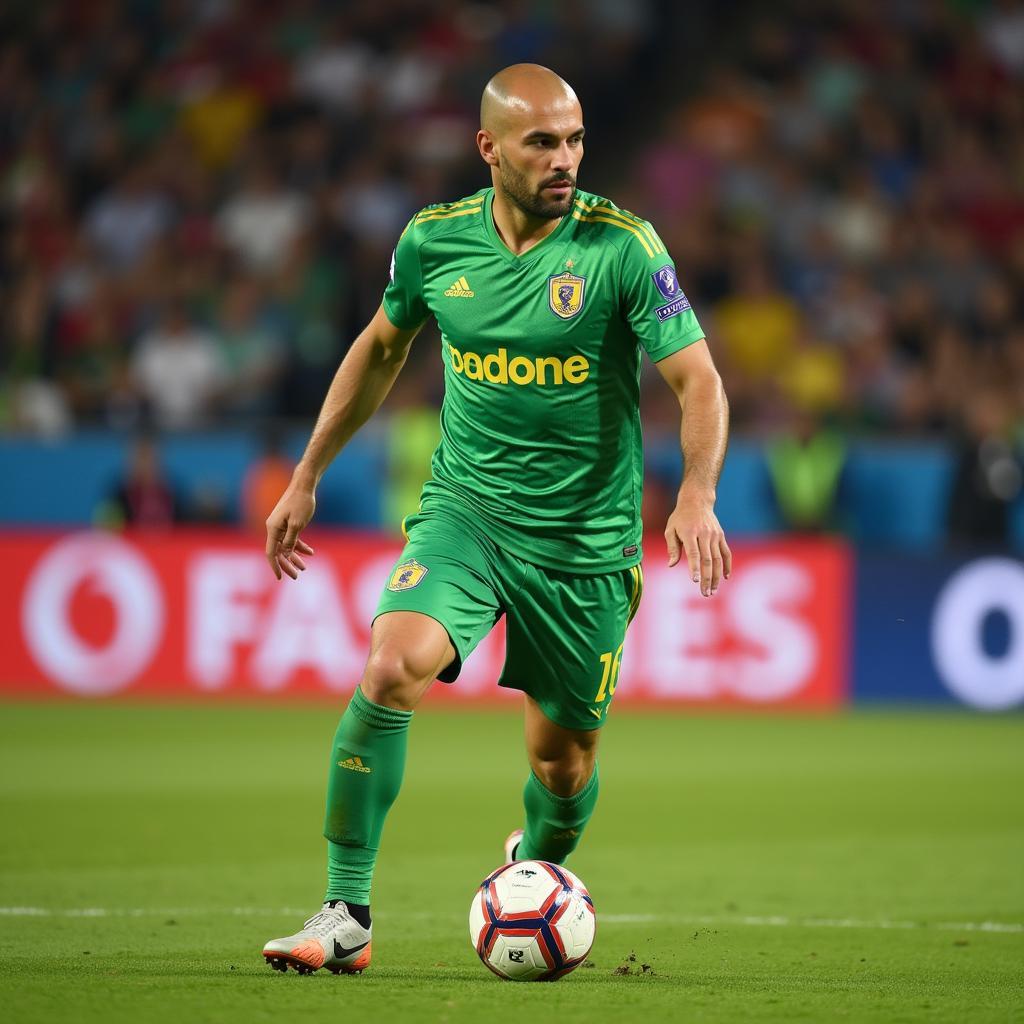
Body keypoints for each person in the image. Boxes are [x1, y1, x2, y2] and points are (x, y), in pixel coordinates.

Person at [261, 64, 731, 976]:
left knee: (563, 768)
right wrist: (307, 472)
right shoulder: (434, 244)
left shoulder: (623, 248)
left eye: (576, 140)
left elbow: (699, 380)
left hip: (584, 549)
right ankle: (344, 911)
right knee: (391, 666)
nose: (566, 160)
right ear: (489, 149)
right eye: (542, 142)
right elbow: (380, 347)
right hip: (467, 517)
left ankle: (539, 867)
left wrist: (698, 491)